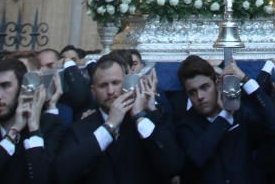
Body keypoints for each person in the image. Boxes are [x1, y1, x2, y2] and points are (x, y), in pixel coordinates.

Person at [55, 54, 184, 184]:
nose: (111, 91)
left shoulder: (149, 118)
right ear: (93, 91)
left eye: (115, 83)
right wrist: (108, 127)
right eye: (103, 85)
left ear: (126, 82)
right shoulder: (79, 128)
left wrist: (140, 117)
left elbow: (173, 165)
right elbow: (63, 172)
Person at [176, 55, 275, 184]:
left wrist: (246, 79)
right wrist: (224, 116)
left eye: (204, 87)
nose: (200, 96)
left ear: (217, 84)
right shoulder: (186, 124)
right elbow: (197, 158)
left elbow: (274, 126)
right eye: (192, 92)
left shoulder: (240, 113)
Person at [0, 58, 50, 183]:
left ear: (22, 88)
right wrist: (12, 134)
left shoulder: (48, 124)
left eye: (5, 86)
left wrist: (34, 129)